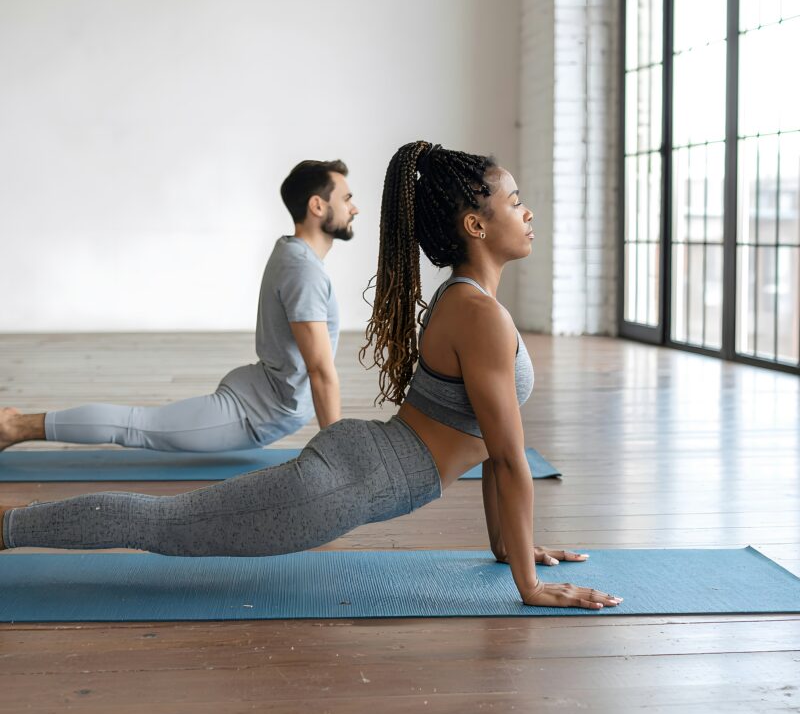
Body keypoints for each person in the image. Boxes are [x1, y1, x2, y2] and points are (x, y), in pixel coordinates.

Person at [0, 142, 622, 610]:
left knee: (165, 519)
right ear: (476, 225)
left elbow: (491, 450)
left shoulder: (475, 305)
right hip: (343, 486)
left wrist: (511, 549)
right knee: (163, 523)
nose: (527, 211)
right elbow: (511, 460)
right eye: (514, 201)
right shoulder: (477, 313)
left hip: (362, 464)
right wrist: (530, 586)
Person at [0, 159, 358, 453]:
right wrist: (337, 455)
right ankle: (13, 427)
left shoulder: (293, 253)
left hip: (261, 400)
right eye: (346, 199)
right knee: (136, 427)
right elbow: (320, 370)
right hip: (251, 413)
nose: (354, 208)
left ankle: (13, 424)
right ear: (317, 205)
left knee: (139, 426)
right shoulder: (304, 270)